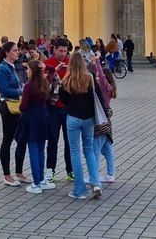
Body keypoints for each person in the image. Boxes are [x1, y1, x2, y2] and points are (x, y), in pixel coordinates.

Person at [59, 51, 102, 200]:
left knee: (75, 152)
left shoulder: (66, 81)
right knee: (89, 150)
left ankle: (79, 190)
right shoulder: (90, 78)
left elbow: (63, 100)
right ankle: (96, 184)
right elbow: (98, 98)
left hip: (72, 118)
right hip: (88, 119)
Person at [0, 41, 29, 186]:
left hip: (16, 105)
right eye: (14, 50)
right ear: (7, 52)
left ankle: (19, 172)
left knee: (21, 139)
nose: (17, 52)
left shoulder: (13, 67)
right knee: (7, 140)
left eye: (17, 50)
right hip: (8, 106)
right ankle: (7, 175)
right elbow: (4, 89)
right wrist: (22, 91)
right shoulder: (2, 69)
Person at [19, 60, 55, 194]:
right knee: (41, 150)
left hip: (31, 119)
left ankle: (36, 183)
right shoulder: (45, 83)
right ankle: (41, 179)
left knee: (33, 150)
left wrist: (21, 104)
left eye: (28, 69)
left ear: (33, 71)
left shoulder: (28, 86)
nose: (26, 71)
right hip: (43, 117)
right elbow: (52, 71)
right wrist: (46, 66)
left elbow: (23, 106)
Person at [43, 38, 73, 184]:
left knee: (70, 141)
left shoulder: (70, 63)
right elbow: (44, 84)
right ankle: (50, 170)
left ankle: (70, 170)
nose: (63, 54)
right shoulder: (48, 63)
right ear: (54, 49)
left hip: (68, 108)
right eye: (60, 51)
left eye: (65, 51)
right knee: (53, 139)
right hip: (53, 108)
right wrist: (55, 71)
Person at [94, 67, 118, 183]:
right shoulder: (109, 88)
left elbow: (101, 77)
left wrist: (96, 62)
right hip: (107, 120)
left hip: (101, 119)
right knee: (107, 149)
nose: (98, 78)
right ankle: (110, 174)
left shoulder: (104, 87)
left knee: (95, 149)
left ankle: (94, 176)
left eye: (100, 76)